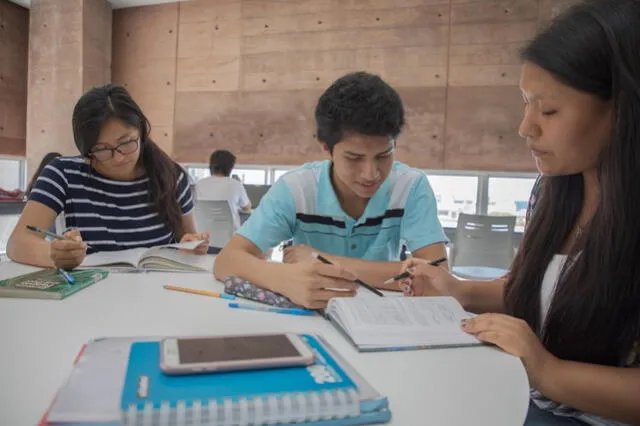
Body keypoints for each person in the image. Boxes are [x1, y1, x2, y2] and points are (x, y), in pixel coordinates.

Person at [400, 1, 640, 424]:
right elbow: (551, 290)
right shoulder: (551, 189)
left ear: (622, 110)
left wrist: (547, 370)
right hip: (522, 400)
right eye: (526, 103)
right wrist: (460, 290)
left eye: (548, 109)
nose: (526, 127)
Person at [215, 71, 447, 309]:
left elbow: (436, 279)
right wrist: (284, 278)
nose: (371, 174)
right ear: (326, 148)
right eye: (354, 158)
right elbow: (226, 261)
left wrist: (320, 260)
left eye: (384, 155)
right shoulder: (296, 188)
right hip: (310, 317)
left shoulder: (411, 186)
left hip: (381, 315)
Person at [7, 84, 209, 269]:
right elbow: (18, 243)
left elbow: (186, 237)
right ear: (85, 149)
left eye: (127, 142)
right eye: (102, 149)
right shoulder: (63, 174)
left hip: (158, 290)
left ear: (141, 130)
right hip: (92, 292)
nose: (119, 157)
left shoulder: (171, 176)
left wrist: (190, 246)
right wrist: (53, 254)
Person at [195, 150, 251, 227]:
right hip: (230, 235)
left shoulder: (199, 184)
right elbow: (247, 208)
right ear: (230, 168)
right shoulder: (236, 184)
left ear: (211, 166)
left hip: (203, 234)